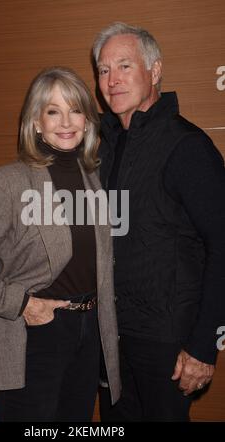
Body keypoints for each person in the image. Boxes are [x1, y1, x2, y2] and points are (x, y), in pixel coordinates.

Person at [0, 66, 121, 422]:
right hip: (35, 334)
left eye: (75, 109)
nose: (66, 121)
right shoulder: (10, 182)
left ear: (87, 120)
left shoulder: (94, 180)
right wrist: (21, 304)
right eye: (53, 111)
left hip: (89, 331)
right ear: (36, 122)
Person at [92, 22, 225, 421]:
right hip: (112, 339)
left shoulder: (187, 146)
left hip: (168, 344)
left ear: (155, 71)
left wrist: (205, 344)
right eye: (102, 70)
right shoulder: (104, 147)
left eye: (124, 66)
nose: (112, 80)